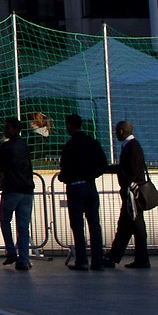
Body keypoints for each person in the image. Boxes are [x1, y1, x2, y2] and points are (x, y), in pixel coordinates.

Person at [57, 113, 109, 270]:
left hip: (75, 187)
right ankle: (98, 261)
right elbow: (103, 164)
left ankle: (82, 260)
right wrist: (91, 175)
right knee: (94, 224)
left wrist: (64, 177)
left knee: (78, 225)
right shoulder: (92, 142)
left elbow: (65, 168)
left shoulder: (70, 146)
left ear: (69, 126)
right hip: (90, 186)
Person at [0, 117, 35, 272]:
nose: (5, 130)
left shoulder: (6, 147)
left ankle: (11, 251)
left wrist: (3, 170)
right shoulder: (25, 146)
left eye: (7, 128)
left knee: (5, 220)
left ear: (15, 129)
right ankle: (23, 259)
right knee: (23, 227)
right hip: (27, 190)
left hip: (12, 189)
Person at [107, 119, 152, 268]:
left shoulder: (131, 147)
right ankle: (117, 257)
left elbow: (131, 170)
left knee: (132, 225)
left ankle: (133, 258)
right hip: (132, 191)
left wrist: (124, 178)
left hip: (132, 193)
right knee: (128, 225)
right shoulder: (132, 146)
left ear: (121, 131)